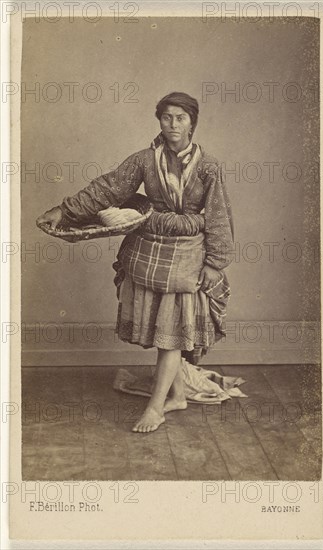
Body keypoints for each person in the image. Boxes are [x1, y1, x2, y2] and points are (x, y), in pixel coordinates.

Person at [36, 92, 234, 434]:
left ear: (193, 123)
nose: (173, 125)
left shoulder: (209, 167)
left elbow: (218, 217)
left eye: (180, 118)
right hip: (150, 251)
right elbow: (107, 189)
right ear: (159, 120)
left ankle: (155, 408)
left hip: (188, 255)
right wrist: (64, 210)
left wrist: (214, 264)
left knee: (171, 334)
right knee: (163, 330)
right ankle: (177, 397)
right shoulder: (145, 160)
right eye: (166, 117)